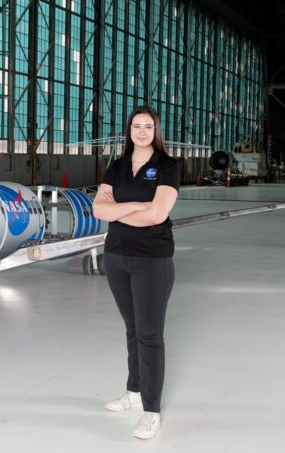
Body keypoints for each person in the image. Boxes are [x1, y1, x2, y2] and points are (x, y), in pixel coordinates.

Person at [93, 105, 180, 440]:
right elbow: (98, 208)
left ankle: (151, 411)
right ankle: (133, 391)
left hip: (152, 260)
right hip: (116, 256)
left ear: (155, 131)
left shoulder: (167, 166)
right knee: (132, 329)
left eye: (148, 126)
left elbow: (158, 214)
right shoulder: (115, 167)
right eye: (136, 126)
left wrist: (118, 210)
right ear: (128, 130)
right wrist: (134, 207)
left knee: (149, 335)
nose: (142, 131)